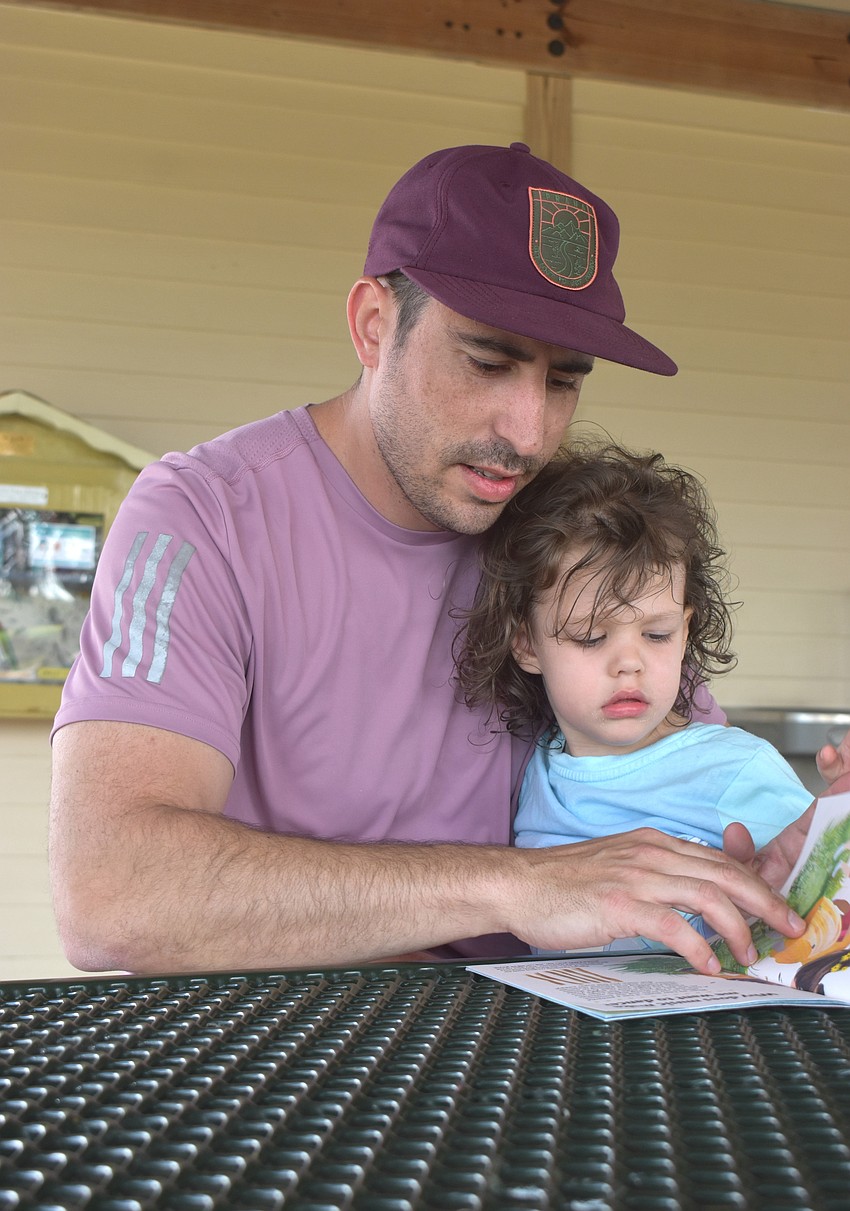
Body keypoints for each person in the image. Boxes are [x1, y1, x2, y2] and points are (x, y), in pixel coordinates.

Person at [48, 142, 845, 979]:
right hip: (279, 1061)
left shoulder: (560, 530)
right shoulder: (204, 515)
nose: (529, 434)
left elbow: (677, 789)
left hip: (535, 1056)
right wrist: (514, 886)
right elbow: (111, 896)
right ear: (372, 325)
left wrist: (794, 855)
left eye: (564, 380)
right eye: (488, 362)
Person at [454, 441, 815, 951]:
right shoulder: (533, 772)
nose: (630, 662)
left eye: (657, 634)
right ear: (526, 644)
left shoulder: (736, 768)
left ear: (686, 632)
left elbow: (820, 899)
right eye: (591, 637)